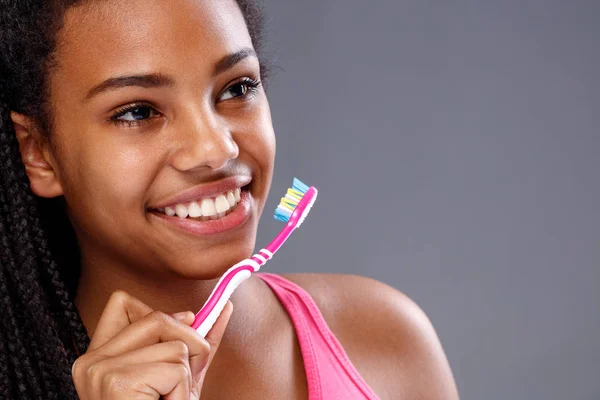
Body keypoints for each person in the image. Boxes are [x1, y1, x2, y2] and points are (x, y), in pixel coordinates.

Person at [0, 0, 459, 398]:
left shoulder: (385, 340)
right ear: (38, 152)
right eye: (137, 111)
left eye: (237, 88)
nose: (216, 148)